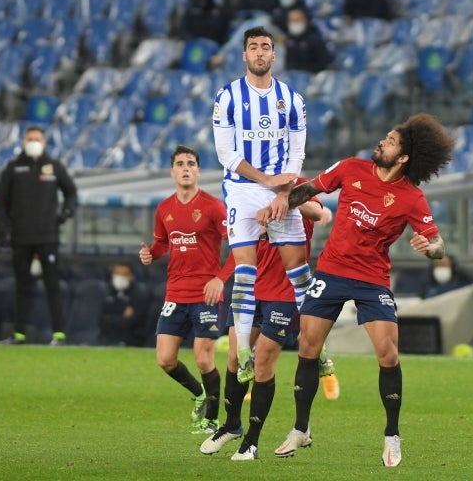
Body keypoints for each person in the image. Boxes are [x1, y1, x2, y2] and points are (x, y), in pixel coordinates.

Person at [267, 113, 455, 467]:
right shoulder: (351, 168)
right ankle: (300, 428)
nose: (382, 141)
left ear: (403, 159)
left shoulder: (412, 198)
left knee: (388, 354)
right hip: (333, 270)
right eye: (386, 136)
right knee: (308, 345)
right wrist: (280, 203)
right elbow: (312, 189)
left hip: (373, 279)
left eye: (391, 141)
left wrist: (430, 248)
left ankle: (392, 436)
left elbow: (438, 244)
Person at [200, 185, 336, 461]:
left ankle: (251, 441)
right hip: (250, 291)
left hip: (284, 295)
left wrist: (285, 201)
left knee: (262, 362)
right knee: (235, 361)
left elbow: (323, 213)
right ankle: (232, 425)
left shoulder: (298, 183)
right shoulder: (246, 186)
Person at [212, 26, 310, 383]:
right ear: (244, 55)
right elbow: (226, 154)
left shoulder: (292, 99)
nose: (259, 53)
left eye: (265, 47)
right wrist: (266, 180)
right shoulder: (228, 97)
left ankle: (317, 348)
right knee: (245, 270)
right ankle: (241, 352)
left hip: (278, 189)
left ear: (273, 55)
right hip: (242, 188)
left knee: (299, 270)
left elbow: (297, 151)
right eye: (252, 47)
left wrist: (284, 191)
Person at [139, 145, 234, 434]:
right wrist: (150, 254)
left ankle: (213, 420)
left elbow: (236, 246)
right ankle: (199, 394)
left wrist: (220, 279)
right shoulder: (164, 208)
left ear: (198, 171)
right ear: (172, 171)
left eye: (190, 163)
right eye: (180, 163)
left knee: (204, 358)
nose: (185, 168)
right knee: (165, 359)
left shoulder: (213, 207)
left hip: (206, 293)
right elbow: (162, 244)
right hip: (175, 293)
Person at [0, 125, 77, 346]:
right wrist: (2, 231)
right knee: (22, 284)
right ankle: (19, 333)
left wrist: (66, 213)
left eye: (37, 138)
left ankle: (59, 333)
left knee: (53, 284)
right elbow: (2, 203)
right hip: (20, 237)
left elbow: (71, 191)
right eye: (30, 138)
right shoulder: (13, 168)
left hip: (48, 236)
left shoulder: (53, 167)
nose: (33, 142)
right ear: (23, 141)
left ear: (45, 142)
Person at [98, 262, 149, 347]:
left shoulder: (139, 294)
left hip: (132, 341)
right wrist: (122, 318)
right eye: (117, 273)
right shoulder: (107, 292)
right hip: (108, 340)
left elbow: (131, 323)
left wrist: (111, 318)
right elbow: (102, 321)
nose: (120, 277)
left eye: (124, 274)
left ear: (131, 276)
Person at [284, 8, 334, 73]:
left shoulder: (315, 39)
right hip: (295, 77)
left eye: (297, 20)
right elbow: (288, 62)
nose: (294, 23)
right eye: (292, 21)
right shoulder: (289, 40)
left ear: (305, 21)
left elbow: (323, 63)